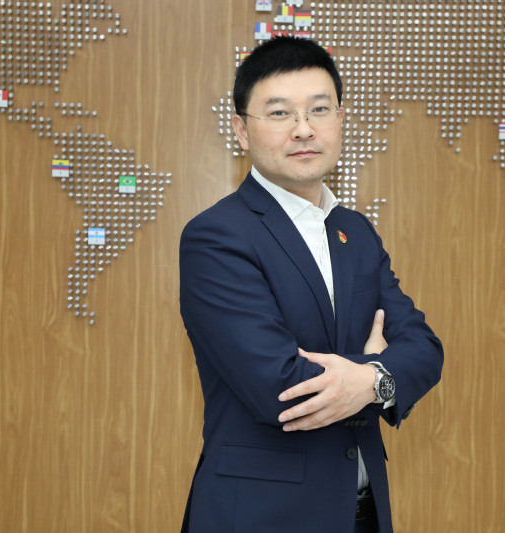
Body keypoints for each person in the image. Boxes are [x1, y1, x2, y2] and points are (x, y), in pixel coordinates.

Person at [179, 36, 443, 533]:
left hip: (363, 515)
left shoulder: (355, 231)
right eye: (280, 113)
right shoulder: (217, 236)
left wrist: (369, 379)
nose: (304, 129)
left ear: (340, 119)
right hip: (262, 517)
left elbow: (425, 349)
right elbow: (280, 387)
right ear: (241, 130)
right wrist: (380, 369)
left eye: (319, 109)